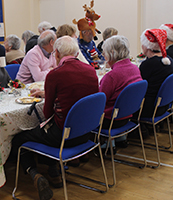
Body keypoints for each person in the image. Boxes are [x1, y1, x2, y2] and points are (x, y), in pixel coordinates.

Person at [12, 36, 98, 200]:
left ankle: (35, 174)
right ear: (76, 52)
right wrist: (50, 94)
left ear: (56, 53)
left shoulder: (55, 74)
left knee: (20, 137)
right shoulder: (90, 70)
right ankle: (53, 172)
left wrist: (50, 95)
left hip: (63, 136)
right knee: (46, 132)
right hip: (85, 133)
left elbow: (47, 112)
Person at [99, 35, 142, 149]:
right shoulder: (135, 68)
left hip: (111, 120)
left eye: (104, 53)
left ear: (111, 53)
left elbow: (100, 101)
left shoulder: (112, 76)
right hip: (127, 115)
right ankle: (120, 138)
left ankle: (107, 143)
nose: (103, 56)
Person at [138, 29, 173, 118]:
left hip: (149, 108)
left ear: (146, 46)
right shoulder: (169, 60)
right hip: (165, 105)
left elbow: (139, 87)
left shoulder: (148, 65)